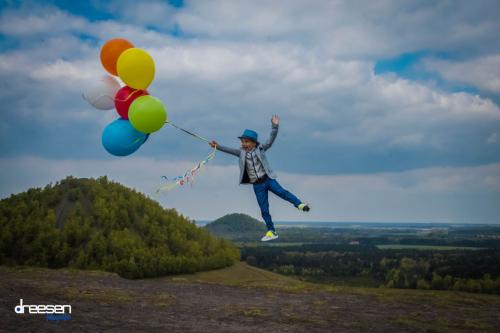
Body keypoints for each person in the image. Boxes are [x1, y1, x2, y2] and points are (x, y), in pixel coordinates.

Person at [209, 115, 310, 242]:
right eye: (242, 141)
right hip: (257, 185)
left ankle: (299, 204)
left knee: (282, 193)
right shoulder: (241, 153)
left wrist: (275, 126)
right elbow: (227, 150)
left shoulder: (261, 149)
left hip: (268, 179)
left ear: (253, 142)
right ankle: (271, 231)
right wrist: (216, 146)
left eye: (246, 141)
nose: (243, 144)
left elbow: (271, 140)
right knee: (264, 209)